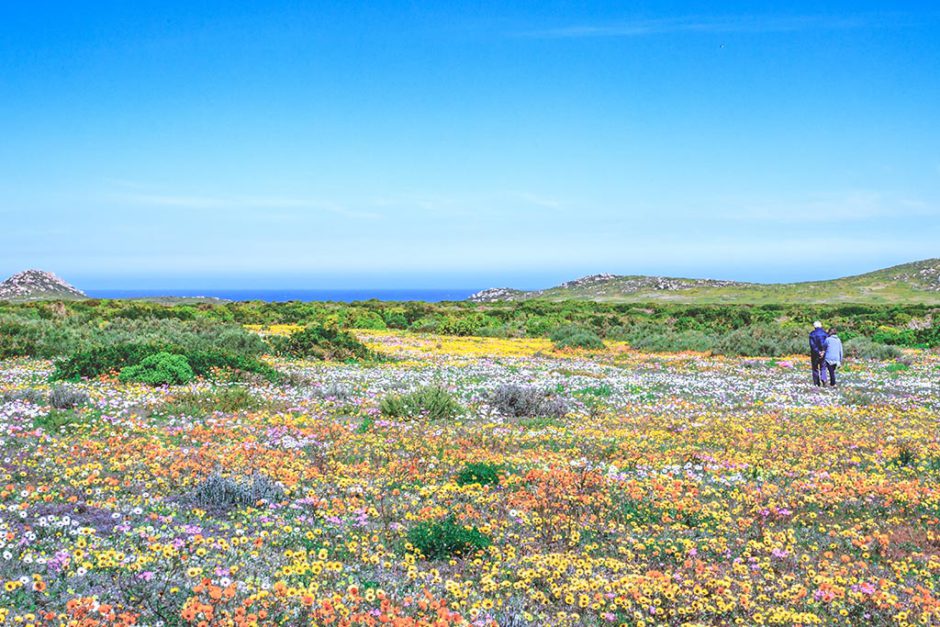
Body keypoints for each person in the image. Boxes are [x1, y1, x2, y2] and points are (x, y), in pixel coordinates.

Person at [808, 321, 828, 386]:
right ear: (821, 326)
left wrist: (818, 352)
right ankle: (824, 378)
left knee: (815, 368)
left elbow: (812, 345)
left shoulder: (812, 334)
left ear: (814, 326)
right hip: (824, 353)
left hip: (815, 354)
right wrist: (823, 351)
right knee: (823, 367)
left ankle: (817, 383)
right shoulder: (825, 334)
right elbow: (827, 343)